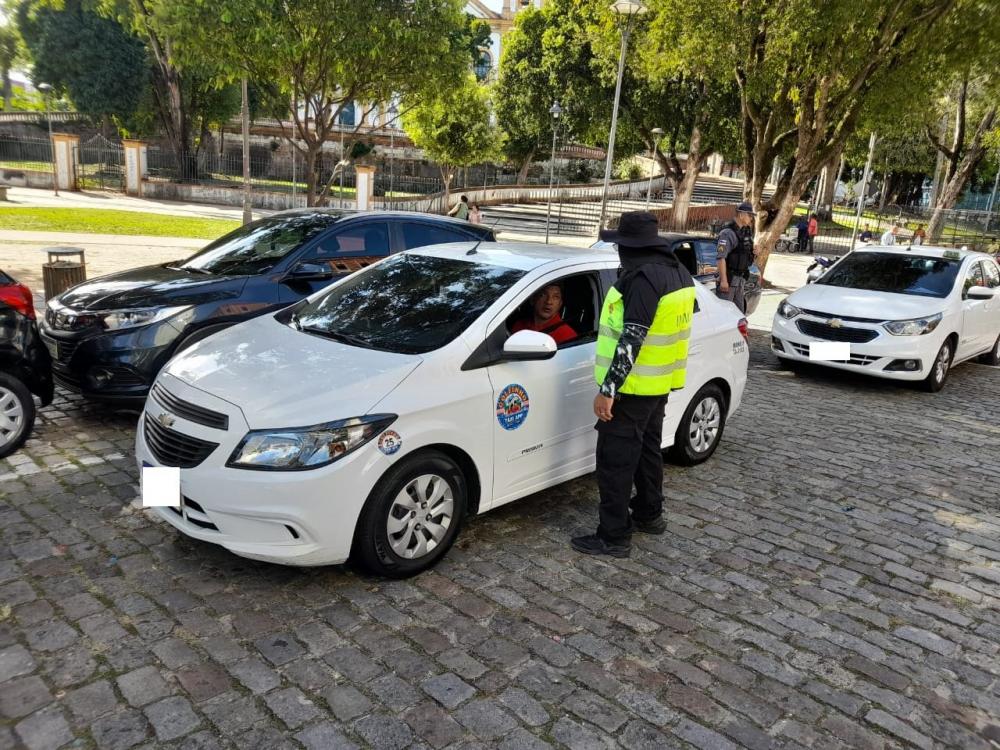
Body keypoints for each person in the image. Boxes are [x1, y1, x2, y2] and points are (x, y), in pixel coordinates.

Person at [571, 211, 695, 558]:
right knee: (647, 453)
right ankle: (649, 515)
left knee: (615, 461)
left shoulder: (642, 278)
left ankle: (613, 535)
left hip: (632, 389)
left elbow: (633, 337)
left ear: (629, 246)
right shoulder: (678, 272)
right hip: (659, 385)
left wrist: (608, 389)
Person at [715, 202, 756, 313]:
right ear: (741, 214)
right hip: (729, 279)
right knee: (724, 314)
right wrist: (723, 280)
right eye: (750, 215)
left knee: (738, 314)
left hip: (740, 280)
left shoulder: (744, 233)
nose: (751, 218)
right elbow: (721, 258)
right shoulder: (727, 233)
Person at [510, 282, 577, 344]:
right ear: (532, 300)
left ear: (560, 304)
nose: (549, 302)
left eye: (555, 297)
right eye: (543, 295)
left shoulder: (567, 334)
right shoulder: (519, 325)